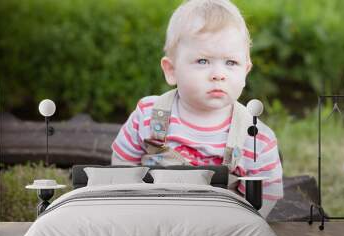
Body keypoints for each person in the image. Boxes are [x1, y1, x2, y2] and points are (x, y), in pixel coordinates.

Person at [110, 0, 283, 218]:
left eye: (231, 63)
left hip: (221, 226)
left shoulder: (255, 138)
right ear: (171, 70)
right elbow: (122, 166)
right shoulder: (149, 115)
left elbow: (265, 194)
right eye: (203, 61)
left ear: (245, 72)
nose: (219, 74)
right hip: (152, 216)